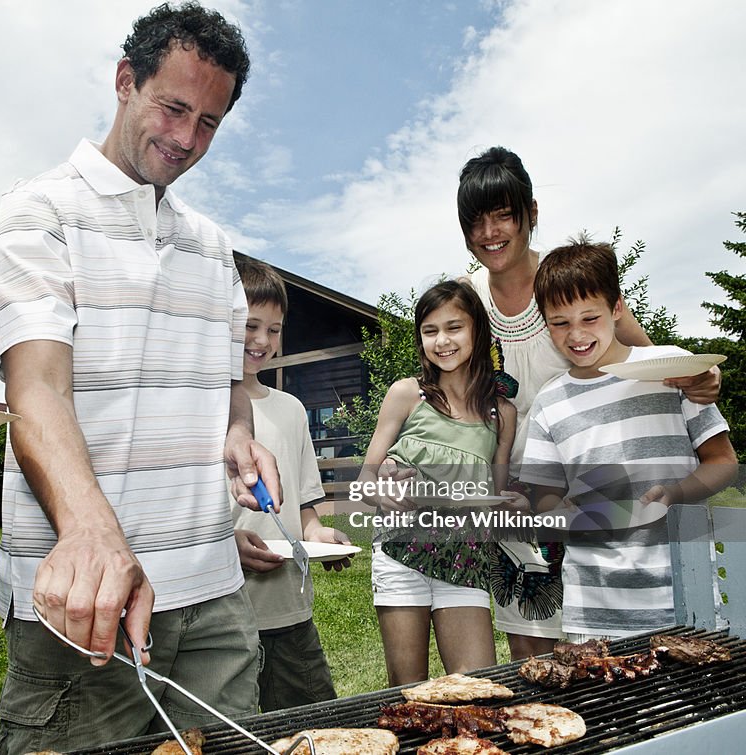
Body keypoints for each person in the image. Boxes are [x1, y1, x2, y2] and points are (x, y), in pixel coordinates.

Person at [0, 4, 278, 751]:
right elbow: (37, 389)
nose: (187, 138)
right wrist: (91, 536)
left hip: (216, 601)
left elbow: (227, 388)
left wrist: (240, 439)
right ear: (126, 81)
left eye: (209, 122)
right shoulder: (39, 210)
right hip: (86, 606)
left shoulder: (214, 249)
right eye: (173, 107)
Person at [454, 146, 722, 658]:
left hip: (595, 484)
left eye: (503, 215)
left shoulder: (569, 285)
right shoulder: (469, 297)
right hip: (520, 487)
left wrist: (703, 378)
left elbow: (653, 363)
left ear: (531, 214)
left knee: (606, 638)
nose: (490, 233)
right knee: (533, 641)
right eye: (476, 221)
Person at [522, 237, 736, 639]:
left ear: (617, 307)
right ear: (543, 321)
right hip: (594, 614)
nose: (576, 335)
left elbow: (722, 462)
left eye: (590, 317)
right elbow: (545, 504)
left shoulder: (672, 368)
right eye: (560, 322)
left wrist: (675, 493)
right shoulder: (549, 403)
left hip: (687, 602)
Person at [358, 280, 524, 686]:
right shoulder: (406, 394)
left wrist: (513, 505)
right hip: (401, 552)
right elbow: (363, 481)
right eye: (430, 331)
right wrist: (377, 490)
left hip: (464, 557)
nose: (442, 341)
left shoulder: (501, 411)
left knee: (476, 684)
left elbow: (496, 495)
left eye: (455, 327)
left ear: (477, 331)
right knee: (407, 687)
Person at [230, 258, 350, 712]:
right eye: (250, 325)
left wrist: (319, 536)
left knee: (313, 723)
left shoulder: (292, 409)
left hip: (289, 610)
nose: (262, 340)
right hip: (223, 610)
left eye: (274, 329)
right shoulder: (198, 405)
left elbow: (305, 504)